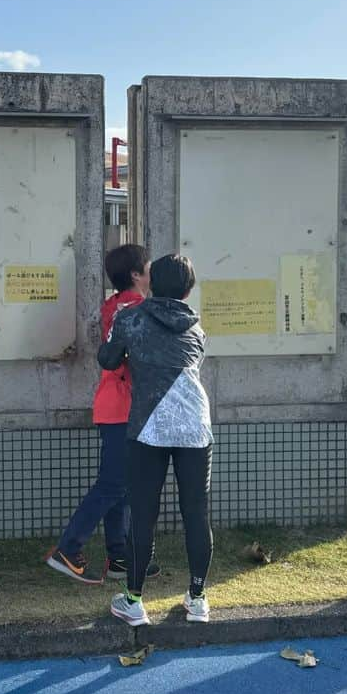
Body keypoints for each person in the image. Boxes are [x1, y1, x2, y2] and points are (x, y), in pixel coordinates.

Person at [100, 254, 214, 625]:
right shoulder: (196, 326)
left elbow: (107, 359)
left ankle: (133, 600)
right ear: (188, 288)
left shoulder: (130, 317)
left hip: (149, 424)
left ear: (151, 283)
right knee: (196, 511)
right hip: (195, 424)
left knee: (144, 513)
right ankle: (197, 598)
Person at [45, 243, 157, 584]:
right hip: (124, 405)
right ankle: (69, 549)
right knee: (113, 484)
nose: (152, 273)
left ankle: (120, 556)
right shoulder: (138, 309)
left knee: (121, 485)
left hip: (114, 403)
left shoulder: (114, 305)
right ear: (137, 274)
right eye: (148, 267)